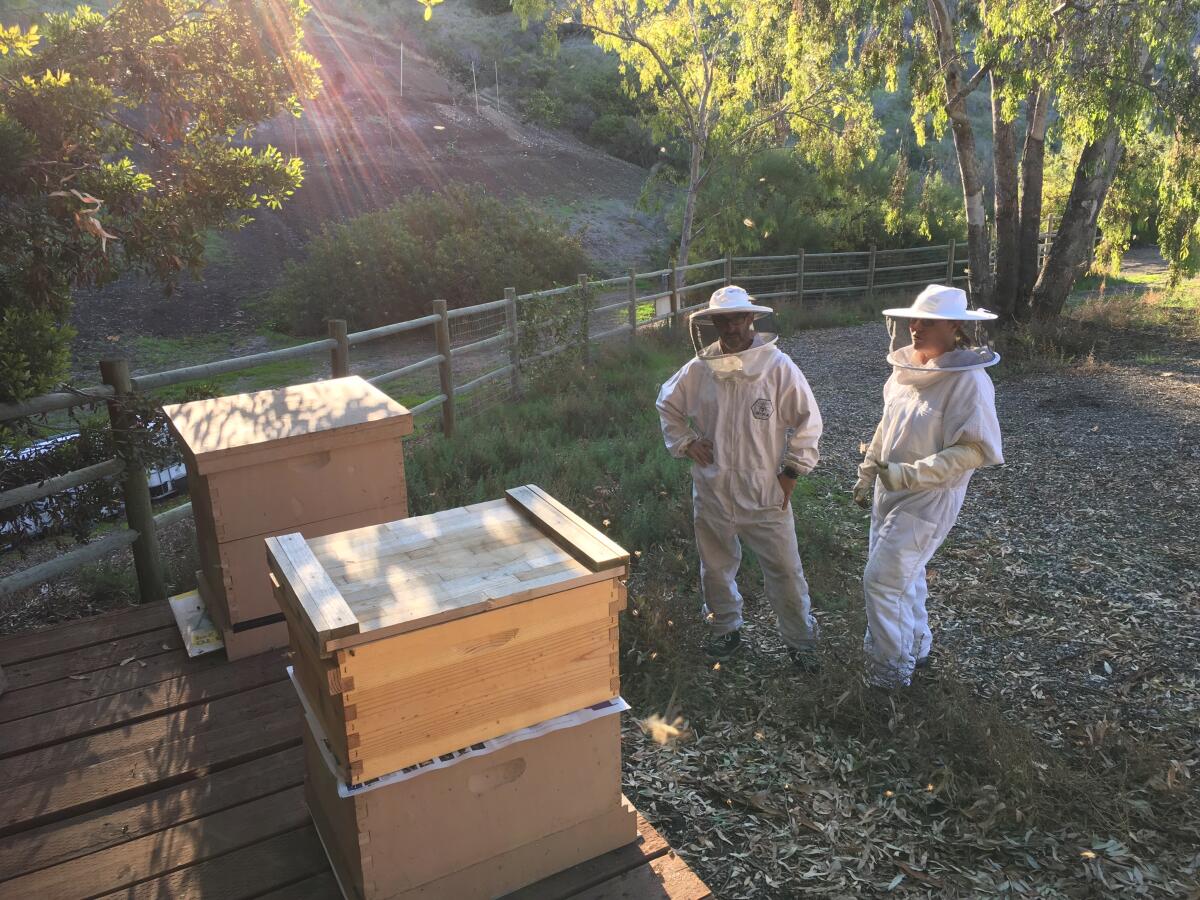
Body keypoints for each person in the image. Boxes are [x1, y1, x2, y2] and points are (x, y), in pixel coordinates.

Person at [656, 285, 823, 670]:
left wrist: (793, 470)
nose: (730, 327)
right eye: (722, 320)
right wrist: (686, 442)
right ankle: (725, 631)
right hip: (713, 487)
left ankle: (801, 643)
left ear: (751, 319)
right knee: (714, 565)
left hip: (765, 491)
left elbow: (808, 421)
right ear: (713, 323)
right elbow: (668, 403)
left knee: (784, 569)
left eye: (737, 318)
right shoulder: (700, 368)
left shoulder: (778, 367)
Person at [853, 284, 1003, 688]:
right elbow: (889, 425)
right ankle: (917, 649)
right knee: (908, 574)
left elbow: (973, 450)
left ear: (954, 326)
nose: (915, 327)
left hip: (929, 500)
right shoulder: (906, 371)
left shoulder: (968, 382)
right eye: (913, 319)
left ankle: (888, 675)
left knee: (882, 580)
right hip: (891, 491)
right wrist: (870, 470)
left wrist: (911, 474)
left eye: (927, 321)